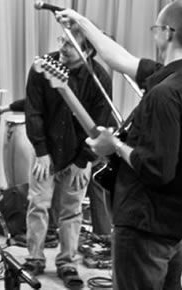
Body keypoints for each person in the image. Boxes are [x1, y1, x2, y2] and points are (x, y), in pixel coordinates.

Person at [57, 0, 182, 290]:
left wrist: (114, 145)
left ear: (168, 32)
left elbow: (157, 168)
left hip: (145, 227)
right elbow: (120, 59)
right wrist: (80, 22)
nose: (154, 34)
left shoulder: (164, 94)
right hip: (174, 222)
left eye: (156, 28)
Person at [22, 26, 113, 289]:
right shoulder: (42, 67)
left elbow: (100, 124)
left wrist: (83, 161)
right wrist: (41, 152)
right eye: (62, 39)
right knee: (38, 205)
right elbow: (33, 112)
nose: (62, 47)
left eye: (70, 43)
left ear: (88, 51)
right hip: (46, 153)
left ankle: (67, 263)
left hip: (78, 155)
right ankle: (35, 258)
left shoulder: (99, 79)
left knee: (71, 211)